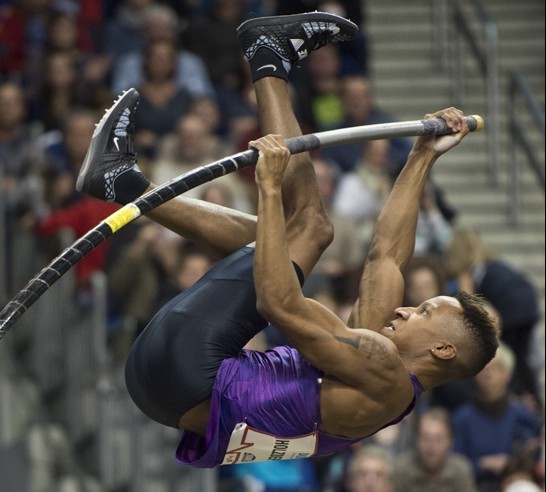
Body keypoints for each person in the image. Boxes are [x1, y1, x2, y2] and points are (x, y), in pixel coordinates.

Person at [75, 12, 499, 469]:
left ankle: (267, 60)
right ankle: (123, 180)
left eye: (423, 312)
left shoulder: (382, 367)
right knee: (287, 237)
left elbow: (278, 303)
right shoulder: (384, 384)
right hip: (165, 390)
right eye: (419, 304)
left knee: (308, 228)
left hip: (188, 369)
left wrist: (270, 187)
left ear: (442, 350)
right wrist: (421, 157)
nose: (405, 308)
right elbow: (386, 258)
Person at [452, 343, 541, 492]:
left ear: (507, 375)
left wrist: (513, 464)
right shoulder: (462, 417)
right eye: (483, 367)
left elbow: (534, 458)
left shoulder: (522, 414)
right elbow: (452, 463)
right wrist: (482, 464)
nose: (488, 373)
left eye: (495, 367)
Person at [392, 407, 478, 492]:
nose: (431, 447)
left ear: (450, 441)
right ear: (416, 439)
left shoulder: (460, 470)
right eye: (425, 438)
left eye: (438, 439)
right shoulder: (401, 469)